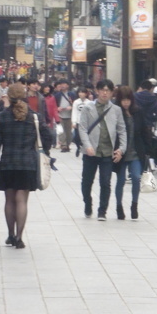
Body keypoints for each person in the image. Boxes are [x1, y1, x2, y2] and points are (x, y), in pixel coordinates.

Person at [0, 83, 54, 248]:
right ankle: (19, 237)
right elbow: (48, 137)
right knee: (22, 200)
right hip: (28, 163)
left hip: (8, 163)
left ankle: (10, 234)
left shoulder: (3, 117)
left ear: (8, 98)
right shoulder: (34, 117)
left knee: (9, 200)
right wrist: (44, 151)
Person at [76, 80, 127, 220]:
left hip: (107, 152)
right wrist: (87, 145)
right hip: (91, 151)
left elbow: (122, 131)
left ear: (112, 93)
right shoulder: (87, 108)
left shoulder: (116, 110)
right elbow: (82, 128)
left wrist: (121, 149)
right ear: (97, 91)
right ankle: (87, 203)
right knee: (87, 182)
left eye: (108, 90)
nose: (105, 93)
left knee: (105, 182)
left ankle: (102, 210)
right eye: (102, 90)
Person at [113, 86, 151, 220]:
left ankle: (134, 205)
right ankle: (119, 206)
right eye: (123, 99)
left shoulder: (138, 112)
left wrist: (148, 149)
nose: (126, 102)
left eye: (128, 99)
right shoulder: (115, 112)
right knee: (121, 180)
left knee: (136, 177)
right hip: (120, 152)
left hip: (135, 151)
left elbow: (145, 130)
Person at [52, 80, 76, 152]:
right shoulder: (57, 95)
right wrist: (57, 108)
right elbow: (54, 105)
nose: (62, 86)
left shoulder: (72, 94)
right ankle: (64, 146)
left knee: (68, 132)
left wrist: (72, 107)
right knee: (61, 131)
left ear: (67, 85)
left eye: (64, 84)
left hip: (70, 115)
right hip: (60, 115)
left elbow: (76, 104)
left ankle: (67, 144)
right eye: (61, 84)